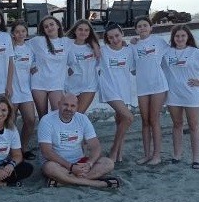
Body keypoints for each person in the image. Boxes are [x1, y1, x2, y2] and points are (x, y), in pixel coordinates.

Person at [163, 24, 199, 169]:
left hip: (191, 94)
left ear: (188, 37)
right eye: (177, 36)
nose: (180, 38)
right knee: (177, 124)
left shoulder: (195, 52)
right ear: (173, 38)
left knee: (194, 125)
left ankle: (196, 159)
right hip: (173, 94)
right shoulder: (167, 52)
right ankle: (177, 155)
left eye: (183, 36)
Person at [38, 92, 120, 189]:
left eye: (72, 106)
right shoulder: (47, 120)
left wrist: (89, 164)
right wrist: (70, 167)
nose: (69, 108)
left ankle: (63, 182)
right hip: (58, 164)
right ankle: (97, 183)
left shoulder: (82, 119)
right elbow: (46, 152)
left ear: (77, 107)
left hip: (80, 163)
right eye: (65, 104)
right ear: (59, 104)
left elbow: (95, 146)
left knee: (108, 163)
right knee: (49, 168)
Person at [131, 16, 169, 166]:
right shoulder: (133, 46)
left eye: (145, 25)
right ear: (136, 29)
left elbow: (173, 50)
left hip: (158, 85)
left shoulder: (159, 41)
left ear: (151, 27)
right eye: (139, 26)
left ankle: (156, 155)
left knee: (154, 120)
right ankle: (147, 155)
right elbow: (132, 69)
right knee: (145, 121)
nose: (142, 28)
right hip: (142, 87)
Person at [98, 23, 136, 164]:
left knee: (121, 122)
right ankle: (114, 150)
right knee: (129, 118)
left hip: (124, 90)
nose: (115, 39)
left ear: (122, 34)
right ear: (107, 39)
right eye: (111, 37)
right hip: (109, 89)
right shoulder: (102, 51)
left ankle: (119, 154)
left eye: (117, 36)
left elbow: (134, 69)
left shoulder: (129, 50)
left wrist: (135, 42)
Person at [30, 15, 69, 119]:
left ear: (58, 26)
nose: (49, 28)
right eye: (46, 26)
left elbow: (83, 41)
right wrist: (30, 65)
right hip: (38, 84)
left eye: (52, 24)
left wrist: (95, 46)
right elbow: (20, 45)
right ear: (43, 30)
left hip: (56, 84)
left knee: (58, 115)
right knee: (43, 117)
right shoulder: (38, 40)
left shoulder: (66, 42)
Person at [10, 20, 37, 160]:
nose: (20, 34)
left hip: (25, 90)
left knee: (30, 120)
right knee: (10, 122)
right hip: (11, 90)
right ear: (13, 34)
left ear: (26, 32)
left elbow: (33, 67)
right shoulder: (9, 48)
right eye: (17, 31)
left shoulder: (30, 49)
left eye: (23, 31)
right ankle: (10, 151)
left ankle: (23, 148)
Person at [65, 19, 101, 114]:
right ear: (75, 31)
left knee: (78, 114)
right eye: (80, 29)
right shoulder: (67, 44)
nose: (83, 32)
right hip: (71, 85)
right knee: (69, 114)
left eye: (86, 30)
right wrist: (67, 70)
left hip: (89, 86)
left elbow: (100, 61)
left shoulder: (93, 46)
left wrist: (95, 45)